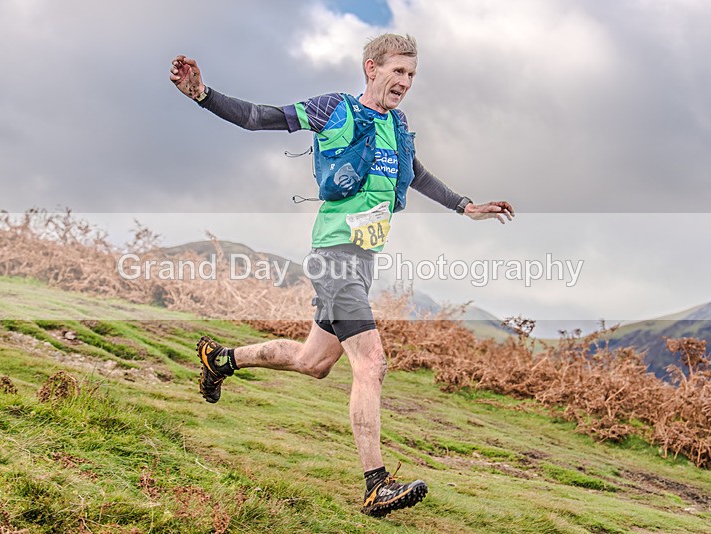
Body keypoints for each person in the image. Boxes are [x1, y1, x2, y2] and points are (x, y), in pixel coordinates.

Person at [169, 33, 514, 517]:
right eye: (397, 71)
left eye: (411, 75)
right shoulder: (335, 109)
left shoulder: (397, 124)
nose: (405, 82)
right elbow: (259, 118)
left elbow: (415, 173)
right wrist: (202, 94)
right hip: (335, 256)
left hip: (362, 261)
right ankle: (376, 485)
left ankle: (220, 360)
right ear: (371, 68)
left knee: (315, 362)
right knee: (371, 363)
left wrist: (465, 206)